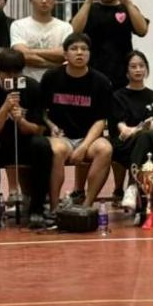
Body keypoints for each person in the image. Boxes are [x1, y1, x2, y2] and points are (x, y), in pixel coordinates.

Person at [0, 48, 52, 230]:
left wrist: (21, 120)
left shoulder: (32, 87)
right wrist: (4, 109)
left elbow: (39, 129)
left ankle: (37, 209)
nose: (11, 77)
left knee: (42, 145)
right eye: (6, 73)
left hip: (25, 144)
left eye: (16, 73)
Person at [41, 33, 113, 210]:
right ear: (65, 54)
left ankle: (87, 205)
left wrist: (83, 146)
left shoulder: (101, 82)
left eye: (84, 49)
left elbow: (100, 120)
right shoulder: (51, 77)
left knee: (105, 149)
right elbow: (41, 111)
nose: (79, 53)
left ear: (89, 53)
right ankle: (54, 206)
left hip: (88, 138)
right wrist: (51, 126)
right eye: (74, 49)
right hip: (61, 137)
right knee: (57, 150)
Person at [69, 0, 149, 91]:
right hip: (93, 72)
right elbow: (74, 31)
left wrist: (127, 2)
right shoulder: (89, 9)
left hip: (122, 74)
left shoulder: (127, 8)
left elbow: (142, 30)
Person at [109, 50, 153, 217]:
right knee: (144, 136)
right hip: (124, 145)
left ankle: (133, 187)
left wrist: (138, 129)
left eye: (141, 66)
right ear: (126, 71)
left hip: (149, 143)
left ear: (146, 69)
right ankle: (134, 187)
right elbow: (123, 129)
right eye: (133, 67)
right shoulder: (118, 96)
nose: (138, 70)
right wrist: (140, 128)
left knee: (147, 136)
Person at [10, 0, 72, 83]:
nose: (44, 1)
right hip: (27, 83)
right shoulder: (18, 25)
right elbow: (22, 55)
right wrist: (54, 64)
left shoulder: (65, 27)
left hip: (57, 83)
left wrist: (31, 51)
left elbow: (64, 53)